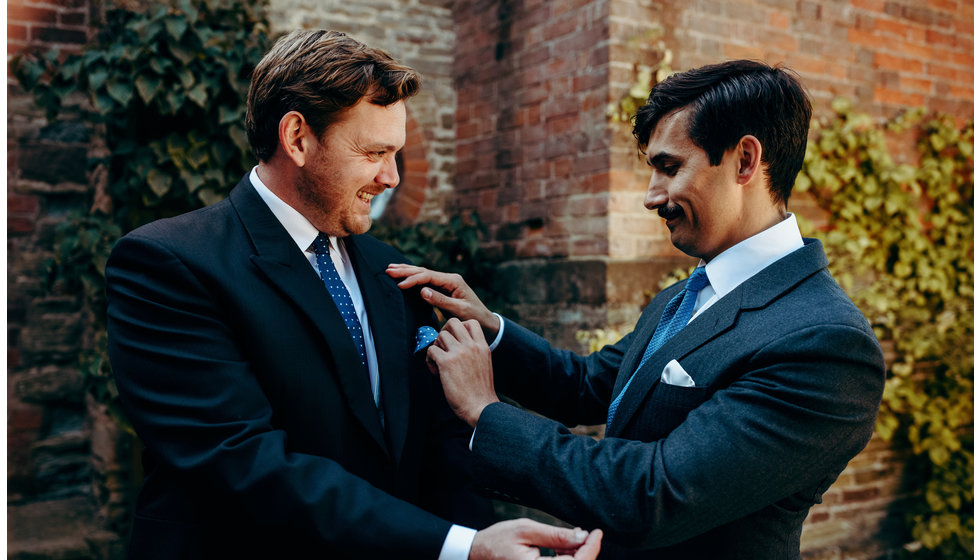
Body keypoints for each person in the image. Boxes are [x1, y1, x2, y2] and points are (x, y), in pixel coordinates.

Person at [106, 29, 601, 560]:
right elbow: (240, 461)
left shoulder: (389, 268)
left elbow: (439, 442)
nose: (390, 177)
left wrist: (477, 546)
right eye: (374, 152)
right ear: (297, 138)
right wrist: (458, 547)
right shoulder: (169, 262)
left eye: (397, 155)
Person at [388, 60, 886, 559]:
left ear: (745, 161)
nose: (652, 197)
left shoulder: (826, 342)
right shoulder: (685, 295)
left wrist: (485, 411)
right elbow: (590, 385)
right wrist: (489, 328)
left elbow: (653, 494)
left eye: (670, 168)